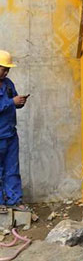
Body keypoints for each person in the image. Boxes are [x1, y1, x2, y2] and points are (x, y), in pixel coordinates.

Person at [0, 50, 29, 212]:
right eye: (4, 69)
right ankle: (0, 203)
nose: (6, 72)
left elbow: (13, 101)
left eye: (8, 69)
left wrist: (20, 102)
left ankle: (15, 200)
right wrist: (12, 102)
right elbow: (9, 102)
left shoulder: (8, 84)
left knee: (12, 168)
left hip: (10, 134)